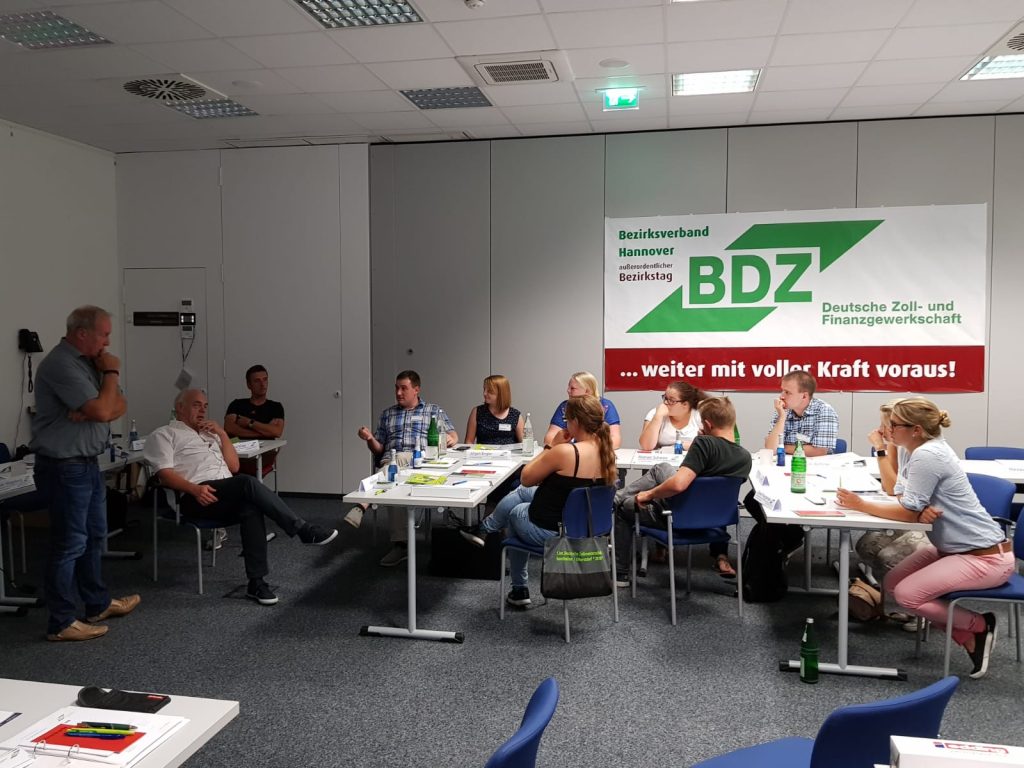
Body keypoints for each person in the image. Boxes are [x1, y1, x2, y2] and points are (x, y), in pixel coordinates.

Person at [836, 397, 1015, 679]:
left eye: (894, 425)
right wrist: (917, 509)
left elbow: (908, 509)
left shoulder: (928, 455)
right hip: (953, 550)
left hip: (985, 557)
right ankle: (968, 634)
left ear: (916, 430)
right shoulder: (916, 450)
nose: (887, 430)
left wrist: (862, 505)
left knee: (908, 595)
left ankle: (980, 625)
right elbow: (902, 497)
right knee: (892, 584)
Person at [144, 389, 337, 606]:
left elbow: (233, 466)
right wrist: (194, 489)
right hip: (194, 496)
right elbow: (164, 475)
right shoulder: (164, 434)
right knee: (247, 482)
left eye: (205, 406)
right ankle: (303, 530)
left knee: (250, 508)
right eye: (196, 405)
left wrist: (222, 434)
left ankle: (256, 582)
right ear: (179, 407)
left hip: (223, 493)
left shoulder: (209, 434)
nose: (203, 411)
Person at [31, 305, 139, 642]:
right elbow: (107, 408)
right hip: (64, 467)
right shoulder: (61, 364)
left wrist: (97, 409)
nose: (107, 342)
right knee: (69, 544)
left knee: (94, 536)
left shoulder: (91, 363)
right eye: (104, 334)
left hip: (87, 464)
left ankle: (97, 604)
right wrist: (111, 374)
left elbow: (119, 404)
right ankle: (61, 622)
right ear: (82, 333)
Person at [461, 395, 617, 606]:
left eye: (567, 420)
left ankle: (519, 588)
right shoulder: (607, 452)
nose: (565, 424)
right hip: (589, 527)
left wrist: (552, 446)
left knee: (516, 512)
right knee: (522, 496)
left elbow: (526, 478)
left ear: (576, 422)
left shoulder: (565, 451)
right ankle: (485, 530)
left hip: (557, 532)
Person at [612, 397, 751, 584]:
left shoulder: (704, 444)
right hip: (715, 521)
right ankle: (617, 498)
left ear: (708, 424)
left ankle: (620, 573)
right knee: (662, 468)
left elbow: (679, 485)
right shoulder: (745, 457)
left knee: (625, 506)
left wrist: (649, 494)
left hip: (678, 517)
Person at [350, 370, 457, 567]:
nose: (398, 393)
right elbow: (379, 449)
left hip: (422, 463)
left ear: (416, 389)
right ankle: (401, 544)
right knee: (393, 475)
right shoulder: (387, 414)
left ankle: (363, 502)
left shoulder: (433, 411)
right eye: (396, 388)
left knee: (395, 463)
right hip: (391, 463)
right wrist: (370, 439)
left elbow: (453, 435)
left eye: (404, 388)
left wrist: (450, 439)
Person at [853, 400, 929, 614]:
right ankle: (891, 601)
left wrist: (880, 449)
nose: (880, 430)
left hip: (928, 524)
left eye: (888, 425)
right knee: (867, 544)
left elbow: (894, 491)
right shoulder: (902, 448)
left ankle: (915, 607)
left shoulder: (921, 454)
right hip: (913, 514)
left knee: (888, 556)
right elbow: (891, 487)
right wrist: (890, 447)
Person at [216, 365, 285, 551]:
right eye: (257, 380)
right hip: (236, 454)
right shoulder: (237, 404)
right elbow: (229, 428)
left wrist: (249, 422)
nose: (263, 384)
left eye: (265, 379)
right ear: (248, 384)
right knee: (217, 471)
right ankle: (218, 527)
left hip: (262, 456)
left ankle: (253, 526)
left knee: (243, 477)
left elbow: (276, 432)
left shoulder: (275, 407)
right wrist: (262, 429)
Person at [764, 370, 838, 456]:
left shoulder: (824, 411)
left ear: (804, 396)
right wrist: (782, 417)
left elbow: (819, 451)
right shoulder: (782, 411)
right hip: (787, 462)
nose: (781, 396)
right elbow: (770, 449)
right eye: (782, 391)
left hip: (817, 463)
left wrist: (782, 447)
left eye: (787, 392)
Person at [543, 371, 622, 450]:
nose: (568, 390)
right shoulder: (564, 407)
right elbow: (549, 439)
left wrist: (584, 450)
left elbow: (615, 441)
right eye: (568, 387)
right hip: (572, 452)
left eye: (572, 388)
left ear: (587, 391)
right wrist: (573, 451)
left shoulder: (606, 406)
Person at [638, 381, 706, 452]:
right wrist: (658, 416)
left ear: (685, 404)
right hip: (662, 457)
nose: (665, 402)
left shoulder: (699, 415)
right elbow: (646, 446)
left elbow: (708, 445)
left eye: (672, 400)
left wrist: (682, 446)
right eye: (665, 398)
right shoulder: (655, 413)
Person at [464, 374, 523, 445]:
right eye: (484, 389)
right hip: (483, 452)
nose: (484, 393)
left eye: (490, 391)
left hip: (508, 452)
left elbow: (524, 443)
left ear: (501, 393)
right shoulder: (477, 412)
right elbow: (469, 442)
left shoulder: (515, 415)